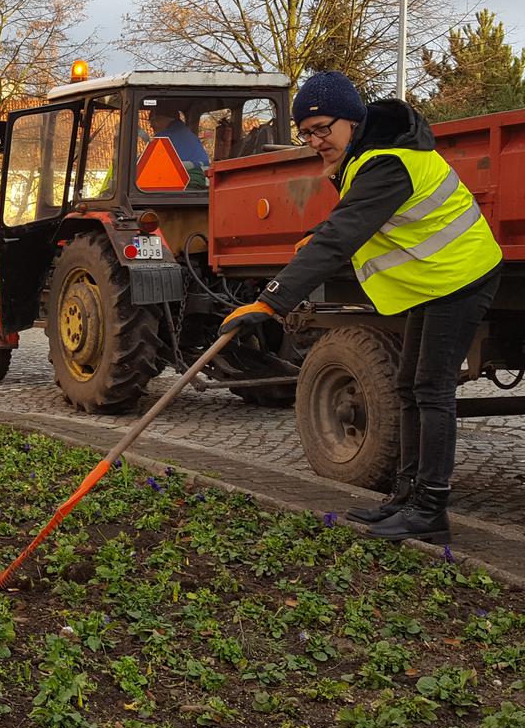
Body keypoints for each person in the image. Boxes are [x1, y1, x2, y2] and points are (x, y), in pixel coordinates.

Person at [220, 71, 503, 544]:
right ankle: (406, 498)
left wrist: (270, 302)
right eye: (305, 132)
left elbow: (341, 237)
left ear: (351, 119)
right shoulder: (368, 157)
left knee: (432, 391)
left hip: (462, 277)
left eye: (322, 128)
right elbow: (357, 222)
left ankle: (430, 510)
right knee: (409, 386)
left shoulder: (388, 162)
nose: (315, 141)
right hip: (435, 282)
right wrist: (324, 235)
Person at [147, 102, 211, 188]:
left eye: (152, 121)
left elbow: (146, 161)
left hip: (192, 180)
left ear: (160, 119)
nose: (151, 126)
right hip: (203, 178)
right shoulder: (184, 132)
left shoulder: (165, 137)